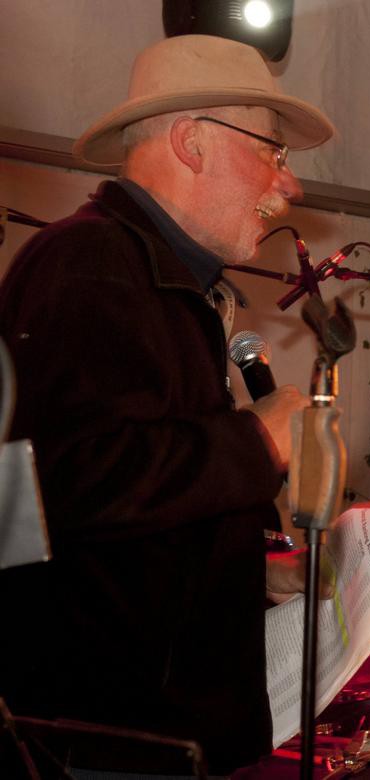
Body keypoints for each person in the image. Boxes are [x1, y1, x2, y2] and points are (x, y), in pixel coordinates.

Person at [0, 35, 333, 775]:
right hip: (111, 746)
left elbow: (129, 525)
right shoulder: (90, 263)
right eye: (273, 151)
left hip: (149, 741)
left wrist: (249, 573)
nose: (290, 184)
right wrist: (256, 442)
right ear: (192, 142)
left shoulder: (154, 276)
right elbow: (63, 484)